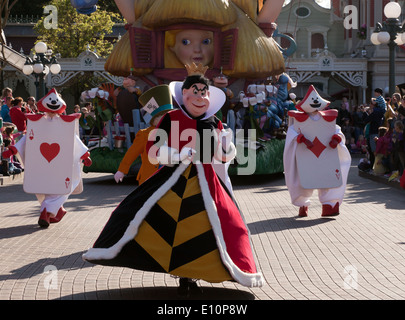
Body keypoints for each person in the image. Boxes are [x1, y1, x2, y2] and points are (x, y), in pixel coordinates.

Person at [83, 63, 264, 296]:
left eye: (204, 93)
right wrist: (179, 155)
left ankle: (193, 274)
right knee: (139, 214)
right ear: (185, 94)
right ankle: (172, 269)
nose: (200, 97)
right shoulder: (170, 118)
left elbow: (222, 155)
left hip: (206, 183)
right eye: (195, 92)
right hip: (172, 180)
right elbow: (154, 152)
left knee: (222, 224)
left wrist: (227, 145)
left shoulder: (214, 122)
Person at [2, 89, 92, 228]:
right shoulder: (37, 123)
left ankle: (46, 211)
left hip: (60, 166)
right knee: (42, 187)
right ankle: (56, 210)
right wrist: (13, 149)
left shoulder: (64, 124)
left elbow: (73, 140)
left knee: (64, 184)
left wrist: (84, 155)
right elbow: (28, 139)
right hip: (42, 165)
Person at [114, 85, 174, 185]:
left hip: (170, 178)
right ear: (154, 120)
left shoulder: (175, 132)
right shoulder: (144, 134)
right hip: (150, 178)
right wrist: (122, 170)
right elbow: (132, 152)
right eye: (163, 116)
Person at [363, 102, 385, 168]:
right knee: (378, 151)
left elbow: (366, 120)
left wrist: (364, 112)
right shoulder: (381, 112)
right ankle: (376, 167)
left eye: (370, 104)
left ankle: (373, 167)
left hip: (373, 133)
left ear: (374, 105)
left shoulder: (374, 113)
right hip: (379, 133)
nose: (369, 106)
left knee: (373, 151)